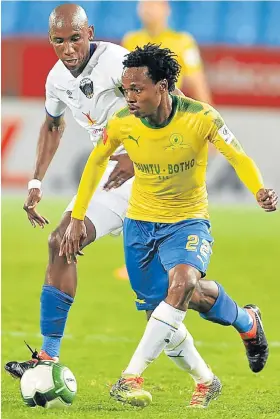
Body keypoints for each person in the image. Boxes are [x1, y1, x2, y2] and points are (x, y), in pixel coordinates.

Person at [5, 5, 221, 408]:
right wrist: (36, 180)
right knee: (61, 242)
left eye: (75, 38)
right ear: (49, 40)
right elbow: (53, 125)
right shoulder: (56, 80)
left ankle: (238, 324)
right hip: (111, 179)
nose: (68, 48)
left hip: (153, 178)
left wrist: (138, 154)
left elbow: (172, 102)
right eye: (58, 40)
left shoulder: (117, 62)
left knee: (167, 296)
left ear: (90, 31)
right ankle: (49, 354)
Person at [59, 44, 278, 408]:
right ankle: (222, 356)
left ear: (162, 86)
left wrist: (259, 190)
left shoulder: (201, 117)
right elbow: (96, 164)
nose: (129, 97)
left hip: (187, 220)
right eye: (125, 90)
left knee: (183, 283)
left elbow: (238, 156)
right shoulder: (122, 125)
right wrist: (78, 216)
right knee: (167, 309)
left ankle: (129, 376)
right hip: (140, 225)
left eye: (137, 89)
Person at [122, 0, 212, 103]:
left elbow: (197, 81)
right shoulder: (130, 40)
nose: (147, 10)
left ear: (166, 9)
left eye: (152, 5)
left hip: (168, 109)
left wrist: (209, 114)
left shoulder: (183, 41)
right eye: (143, 5)